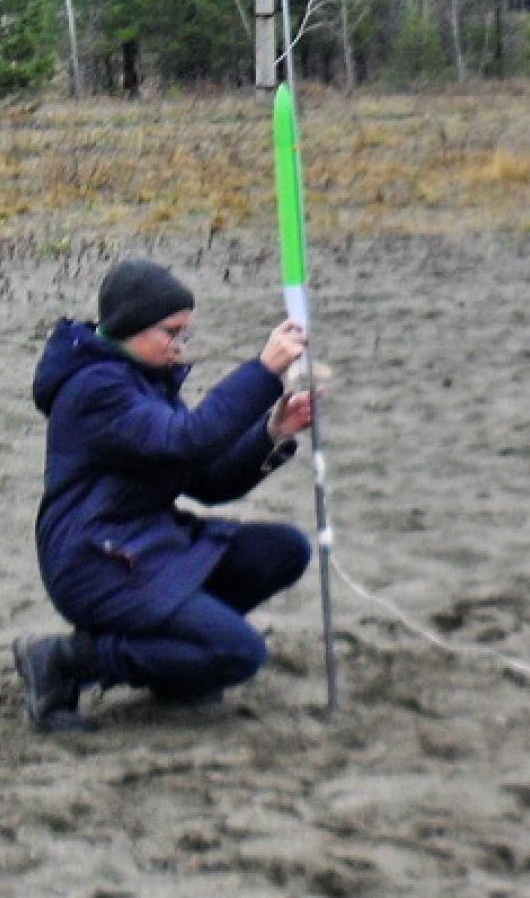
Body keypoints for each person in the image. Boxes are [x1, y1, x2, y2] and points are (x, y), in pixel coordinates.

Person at [16, 259, 316, 732]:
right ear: (132, 326)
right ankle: (66, 659)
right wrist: (262, 372)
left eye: (184, 334)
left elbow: (207, 481)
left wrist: (272, 431)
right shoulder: (96, 387)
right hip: (95, 560)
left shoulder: (142, 379)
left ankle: (177, 661)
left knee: (283, 551)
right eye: (171, 333)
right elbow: (186, 439)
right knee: (240, 653)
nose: (179, 346)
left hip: (149, 545)